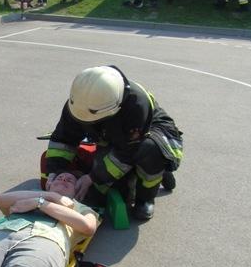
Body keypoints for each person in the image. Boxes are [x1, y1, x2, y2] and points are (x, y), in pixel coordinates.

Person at [45, 66, 183, 221]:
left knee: (150, 152)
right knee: (109, 192)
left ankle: (146, 197)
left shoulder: (136, 105)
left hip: (151, 134)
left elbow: (128, 152)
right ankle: (147, 172)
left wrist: (92, 177)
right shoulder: (81, 101)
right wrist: (54, 170)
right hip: (111, 136)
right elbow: (64, 138)